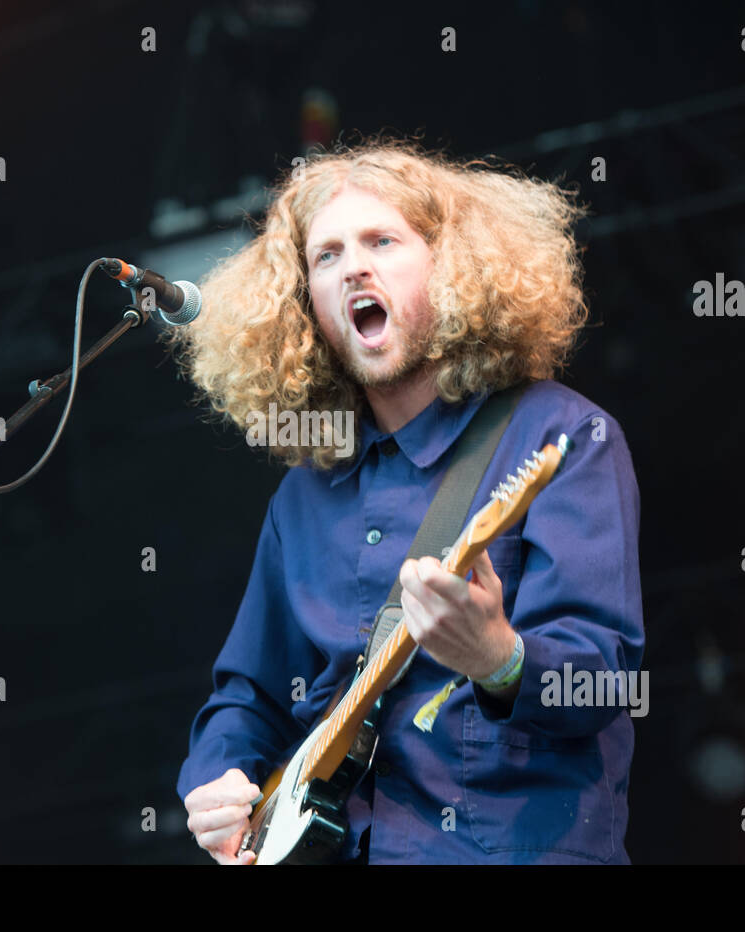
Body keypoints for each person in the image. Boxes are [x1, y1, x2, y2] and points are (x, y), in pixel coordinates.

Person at [164, 137, 645, 864]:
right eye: (325, 256)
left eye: (382, 241)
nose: (353, 265)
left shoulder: (563, 434)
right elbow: (248, 695)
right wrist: (217, 779)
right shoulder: (304, 497)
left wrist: (500, 659)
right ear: (306, 306)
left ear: (453, 269)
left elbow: (603, 678)